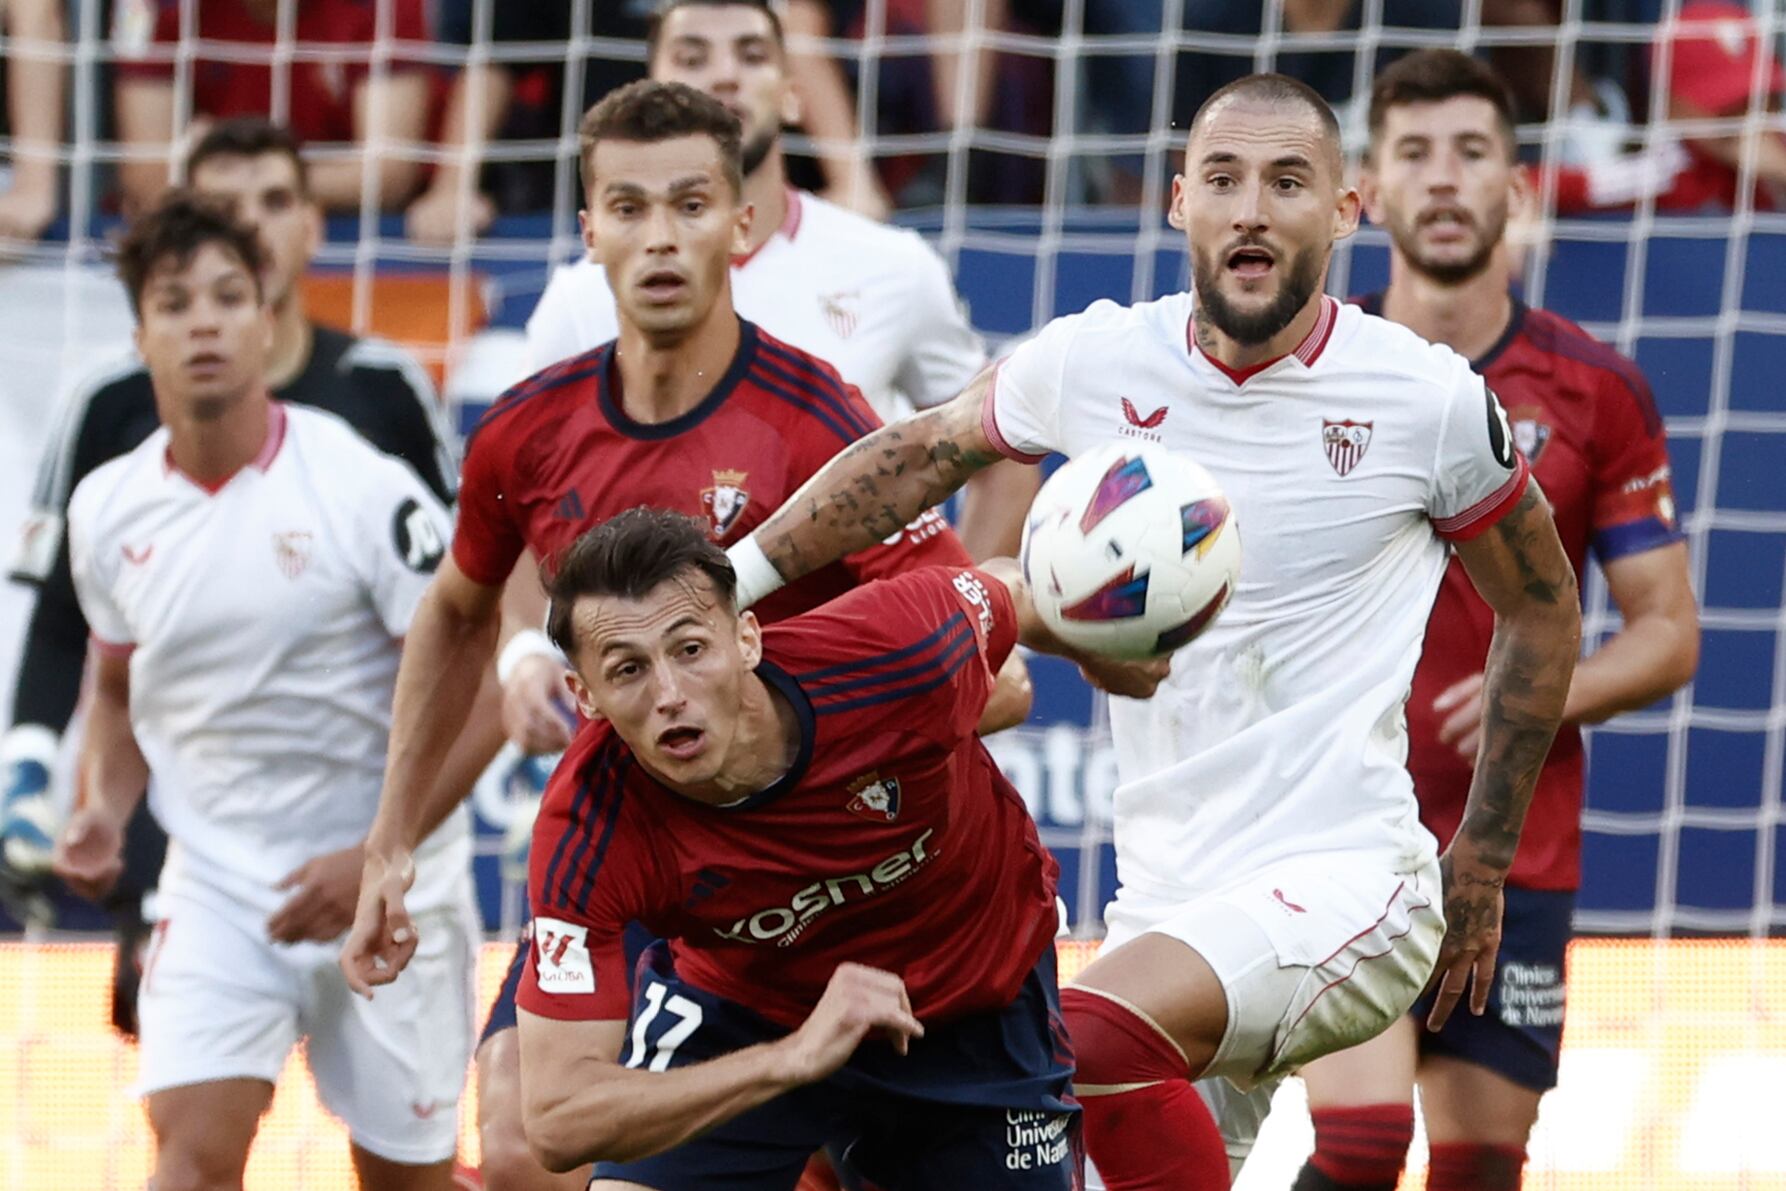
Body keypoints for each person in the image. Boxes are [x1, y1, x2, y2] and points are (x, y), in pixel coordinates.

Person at [722, 71, 1586, 1187]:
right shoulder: (1094, 360)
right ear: (1178, 201)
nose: (1251, 210)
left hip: (1348, 884)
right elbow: (918, 455)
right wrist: (730, 582)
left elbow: (1542, 604)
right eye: (1221, 179)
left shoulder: (1424, 399)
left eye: (1287, 182)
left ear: (1343, 208)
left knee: (1079, 1041)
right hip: (1170, 900)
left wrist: (1480, 858)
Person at [339, 80, 1029, 1191]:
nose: (660, 237)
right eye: (628, 207)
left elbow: (985, 673)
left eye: (690, 204)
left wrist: (835, 712)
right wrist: (391, 840)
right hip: (637, 857)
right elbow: (458, 612)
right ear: (588, 231)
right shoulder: (524, 432)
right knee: (522, 1141)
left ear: (740, 223)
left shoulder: (818, 418)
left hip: (804, 873)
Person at [1291, 50, 1699, 1191]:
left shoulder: (1594, 389)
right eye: (1414, 154)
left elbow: (1667, 628)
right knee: (1363, 1149)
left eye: (1471, 153)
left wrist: (1547, 688)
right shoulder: (1314, 372)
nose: (1444, 180)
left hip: (1511, 848)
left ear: (1514, 186)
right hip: (1343, 836)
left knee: (1478, 1170)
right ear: (1367, 189)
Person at [49, 192, 480, 1191]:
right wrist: (101, 810)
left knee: (406, 1182)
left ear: (267, 315)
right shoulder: (106, 511)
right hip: (218, 887)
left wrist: (381, 850)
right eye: (175, 301)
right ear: (139, 333)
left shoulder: (359, 486)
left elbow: (482, 688)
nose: (204, 320)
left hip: (391, 886)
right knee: (188, 1169)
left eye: (228, 297)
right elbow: (114, 690)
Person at [0, 116, 456, 1030]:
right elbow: (74, 617)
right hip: (196, 833)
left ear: (312, 228)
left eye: (275, 202)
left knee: (407, 1166)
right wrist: (44, 773)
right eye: (222, 205)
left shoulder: (377, 396)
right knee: (185, 1132)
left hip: (372, 821)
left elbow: (466, 612)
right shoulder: (108, 414)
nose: (251, 222)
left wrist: (387, 840)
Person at [488, 509, 1079, 1188]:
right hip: (748, 1015)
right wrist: (791, 1056)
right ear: (585, 696)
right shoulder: (585, 825)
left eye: (690, 649)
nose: (670, 695)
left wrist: (1101, 649)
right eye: (628, 670)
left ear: (747, 637)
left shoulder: (899, 647)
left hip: (973, 995)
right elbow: (560, 1120)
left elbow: (1009, 587)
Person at [519, 0, 1038, 566]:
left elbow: (1003, 459)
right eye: (693, 57)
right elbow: (513, 509)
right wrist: (527, 650)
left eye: (752, 55)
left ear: (793, 94)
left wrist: (961, 621)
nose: (723, 75)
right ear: (650, 99)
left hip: (851, 647)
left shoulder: (893, 268)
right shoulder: (577, 301)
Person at [111, 0, 433, 214]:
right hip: (208, 234)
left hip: (347, 241)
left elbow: (387, 176)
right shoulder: (152, 5)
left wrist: (223, 174)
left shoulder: (385, 6)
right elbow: (148, 178)